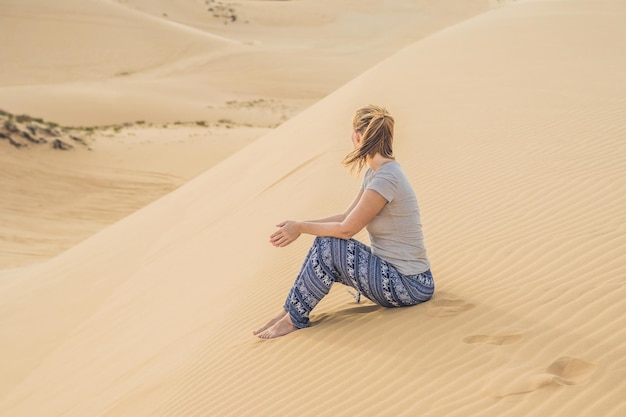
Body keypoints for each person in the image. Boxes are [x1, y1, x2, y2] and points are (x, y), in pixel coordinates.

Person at [253, 105, 434, 339]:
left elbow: (347, 229)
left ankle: (293, 318)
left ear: (357, 137)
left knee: (330, 244)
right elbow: (345, 217)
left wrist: (301, 228)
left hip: (411, 285)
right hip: (400, 277)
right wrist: (300, 224)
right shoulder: (377, 173)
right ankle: (289, 310)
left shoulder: (387, 178)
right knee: (325, 241)